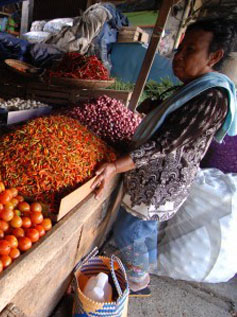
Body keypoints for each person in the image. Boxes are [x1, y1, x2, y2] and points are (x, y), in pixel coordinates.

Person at [92, 19, 237, 296]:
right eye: (180, 48)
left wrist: (114, 165)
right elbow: (174, 120)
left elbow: (164, 144)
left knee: (129, 231)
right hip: (154, 180)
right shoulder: (197, 87)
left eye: (190, 50)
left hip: (159, 185)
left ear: (214, 57)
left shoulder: (212, 97)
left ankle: (136, 281)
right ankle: (143, 270)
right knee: (145, 230)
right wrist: (156, 107)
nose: (178, 57)